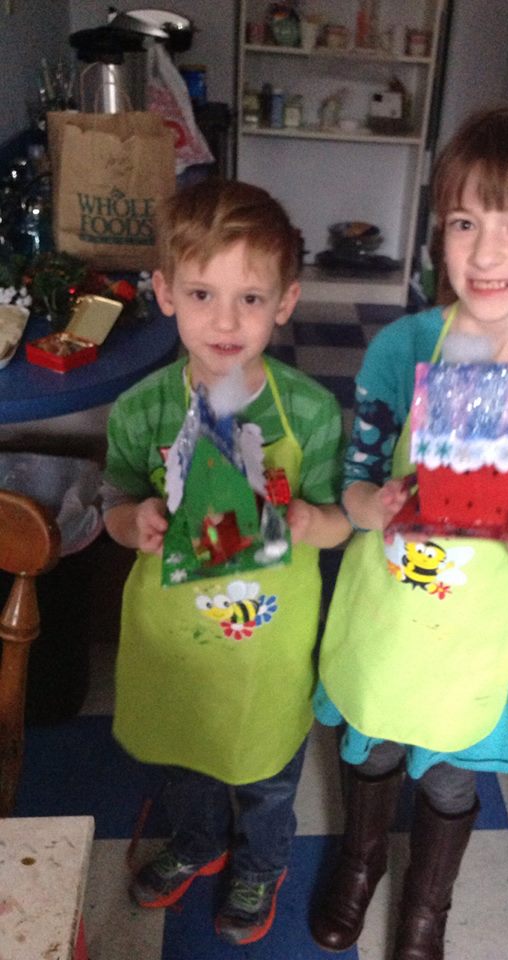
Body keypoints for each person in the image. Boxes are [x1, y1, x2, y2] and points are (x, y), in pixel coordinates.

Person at [310, 108, 508, 960]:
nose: (486, 252)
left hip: (473, 640)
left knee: (447, 775)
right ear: (438, 233)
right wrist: (377, 503)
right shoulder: (403, 346)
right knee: (371, 745)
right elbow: (352, 487)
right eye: (463, 222)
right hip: (386, 614)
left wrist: (506, 471)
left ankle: (426, 906)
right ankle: (360, 861)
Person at [101, 179, 350, 947]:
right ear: (164, 293)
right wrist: (134, 521)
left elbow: (341, 521)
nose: (225, 320)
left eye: (250, 298)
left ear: (285, 302)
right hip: (176, 636)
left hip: (266, 646)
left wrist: (312, 520)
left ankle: (261, 863)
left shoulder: (308, 412)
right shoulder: (140, 410)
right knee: (188, 759)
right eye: (202, 293)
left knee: (266, 776)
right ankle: (199, 840)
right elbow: (114, 501)